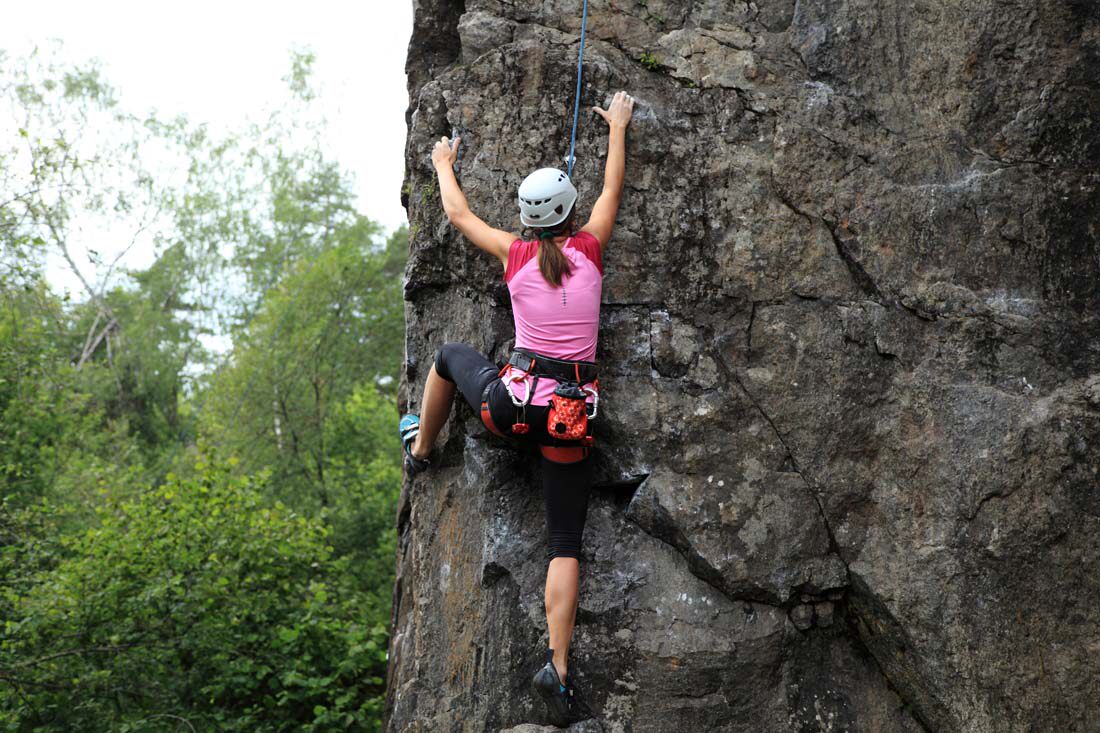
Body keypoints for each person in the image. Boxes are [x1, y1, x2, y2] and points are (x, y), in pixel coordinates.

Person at [399, 90, 635, 726]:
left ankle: (421, 449)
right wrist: (617, 126)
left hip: (511, 406)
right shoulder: (591, 247)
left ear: (529, 220)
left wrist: (444, 160)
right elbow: (613, 186)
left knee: (450, 355)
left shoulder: (515, 253)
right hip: (567, 417)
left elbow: (457, 215)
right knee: (565, 543)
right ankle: (557, 668)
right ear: (567, 213)